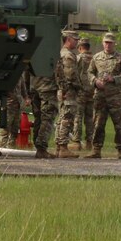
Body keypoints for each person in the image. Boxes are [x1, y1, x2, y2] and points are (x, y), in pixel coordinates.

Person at [87, 31, 121, 159]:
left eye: (110, 43)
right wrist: (95, 81)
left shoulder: (120, 58)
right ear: (102, 43)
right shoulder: (96, 57)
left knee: (118, 125)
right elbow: (89, 72)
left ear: (114, 44)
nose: (108, 45)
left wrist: (114, 79)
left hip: (115, 97)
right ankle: (96, 150)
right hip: (100, 97)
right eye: (106, 42)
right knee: (98, 124)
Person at [54, 28, 83, 158]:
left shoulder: (62, 53)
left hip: (64, 89)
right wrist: (79, 87)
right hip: (69, 90)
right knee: (67, 118)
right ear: (68, 39)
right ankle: (63, 147)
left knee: (62, 118)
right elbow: (70, 75)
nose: (77, 42)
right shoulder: (68, 55)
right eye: (75, 40)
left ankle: (59, 146)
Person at [29, 60, 59, 159]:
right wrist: (63, 87)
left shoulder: (34, 52)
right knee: (47, 118)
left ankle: (38, 146)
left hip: (34, 87)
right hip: (48, 88)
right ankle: (41, 148)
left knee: (38, 118)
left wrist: (27, 89)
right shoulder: (51, 52)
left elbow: (26, 70)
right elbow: (59, 71)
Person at [0, 69, 30, 148]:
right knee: (5, 128)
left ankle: (11, 147)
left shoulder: (19, 76)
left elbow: (23, 89)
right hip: (7, 105)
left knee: (15, 129)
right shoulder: (5, 75)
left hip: (17, 105)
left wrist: (26, 98)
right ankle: (1, 148)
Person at [71, 37, 93, 151]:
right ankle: (90, 142)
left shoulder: (78, 58)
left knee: (78, 117)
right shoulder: (95, 59)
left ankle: (76, 142)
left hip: (80, 92)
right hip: (92, 92)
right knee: (90, 118)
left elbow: (74, 74)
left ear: (80, 48)